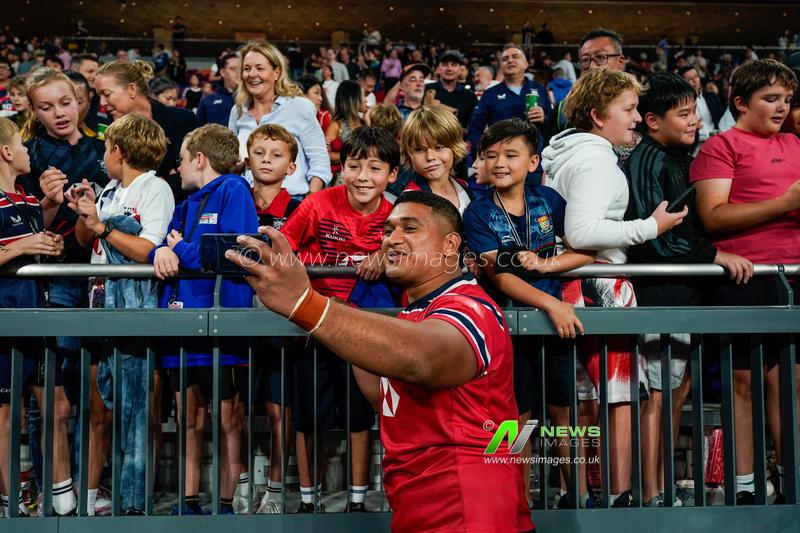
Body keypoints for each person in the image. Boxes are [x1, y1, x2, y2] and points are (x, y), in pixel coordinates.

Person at [226, 188, 535, 532]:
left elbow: (422, 360)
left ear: (450, 245)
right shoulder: (413, 314)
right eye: (388, 230)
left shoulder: (470, 306)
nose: (392, 239)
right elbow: (383, 396)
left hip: (468, 504)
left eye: (410, 228)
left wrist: (307, 305)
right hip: (421, 501)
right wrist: (334, 317)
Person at [542, 68, 687, 507]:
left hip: (578, 285)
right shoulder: (595, 159)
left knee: (589, 399)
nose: (637, 118)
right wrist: (651, 226)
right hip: (599, 284)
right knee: (617, 398)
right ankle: (617, 499)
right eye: (628, 109)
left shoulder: (572, 153)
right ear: (597, 115)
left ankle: (589, 497)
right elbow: (582, 232)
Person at [624, 73, 754, 507]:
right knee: (659, 397)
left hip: (679, 291)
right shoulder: (649, 160)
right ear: (652, 120)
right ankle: (651, 493)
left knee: (674, 392)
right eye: (683, 114)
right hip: (662, 292)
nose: (695, 120)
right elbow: (657, 237)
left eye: (694, 111)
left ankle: (661, 488)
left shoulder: (669, 157)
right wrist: (715, 255)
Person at [464, 119, 595, 509]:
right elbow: (500, 275)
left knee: (564, 416)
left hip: (554, 330)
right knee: (515, 421)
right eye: (491, 156)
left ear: (533, 162)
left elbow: (586, 250)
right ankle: (518, 505)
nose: (499, 163)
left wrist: (546, 265)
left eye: (510, 154)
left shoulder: (550, 200)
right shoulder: (477, 212)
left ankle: (578, 498)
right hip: (507, 330)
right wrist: (552, 303)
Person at [690, 59, 800, 505]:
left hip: (794, 276)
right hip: (744, 276)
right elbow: (713, 216)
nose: (782, 107)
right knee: (742, 384)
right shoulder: (719, 146)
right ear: (740, 102)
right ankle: (743, 486)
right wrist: (785, 202)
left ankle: (793, 482)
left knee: (791, 383)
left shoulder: (795, 143)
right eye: (770, 99)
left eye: (786, 99)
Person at [279, 127, 400, 514]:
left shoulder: (397, 214)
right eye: (354, 166)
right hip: (315, 323)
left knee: (359, 416)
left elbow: (413, 258)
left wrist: (385, 257)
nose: (363, 177)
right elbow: (283, 249)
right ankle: (308, 500)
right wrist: (310, 273)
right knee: (307, 418)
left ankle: (358, 501)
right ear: (341, 169)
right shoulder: (316, 204)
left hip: (367, 330)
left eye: (375, 168)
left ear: (392, 175)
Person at [67, 114, 173, 515]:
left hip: (134, 310)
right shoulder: (109, 188)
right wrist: (86, 213)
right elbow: (85, 239)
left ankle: (134, 504)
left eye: (106, 148)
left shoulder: (155, 188)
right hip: (98, 305)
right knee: (98, 410)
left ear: (119, 151)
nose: (103, 156)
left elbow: (149, 249)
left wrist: (103, 228)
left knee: (137, 415)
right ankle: (88, 499)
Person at [150, 124, 258, 515]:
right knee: (188, 418)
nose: (176, 168)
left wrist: (181, 249)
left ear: (199, 159)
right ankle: (189, 500)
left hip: (224, 327)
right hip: (182, 326)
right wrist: (161, 253)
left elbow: (232, 253)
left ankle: (226, 504)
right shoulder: (185, 204)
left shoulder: (234, 190)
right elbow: (161, 246)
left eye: (180, 160)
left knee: (228, 418)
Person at [0, 117, 71, 518]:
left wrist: (48, 239)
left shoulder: (27, 199)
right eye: (22, 145)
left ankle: (62, 502)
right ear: (6, 152)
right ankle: (9, 506)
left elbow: (31, 238)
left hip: (38, 317)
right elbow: (18, 245)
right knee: (5, 417)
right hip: (5, 322)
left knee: (58, 407)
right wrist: (24, 245)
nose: (29, 151)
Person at [243, 124, 301, 513]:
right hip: (238, 319)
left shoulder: (299, 209)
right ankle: (239, 485)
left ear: (291, 167)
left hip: (281, 321)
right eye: (259, 153)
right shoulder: (234, 200)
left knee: (280, 409)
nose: (266, 161)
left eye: (276, 155)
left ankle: (276, 490)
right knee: (236, 410)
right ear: (247, 159)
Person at [228, 41, 331, 198]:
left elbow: (320, 160)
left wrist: (310, 200)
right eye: (247, 69)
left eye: (259, 68)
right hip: (246, 200)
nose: (252, 74)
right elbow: (231, 160)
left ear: (276, 73)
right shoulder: (237, 111)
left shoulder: (299, 107)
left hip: (292, 200)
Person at [94, 60, 197, 200]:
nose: (102, 103)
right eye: (99, 96)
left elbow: (195, 175)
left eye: (106, 94)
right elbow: (107, 174)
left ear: (131, 89)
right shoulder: (105, 125)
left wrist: (160, 184)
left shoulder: (183, 120)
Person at [467, 44, 550, 162]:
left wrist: (544, 119)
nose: (510, 60)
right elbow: (475, 128)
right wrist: (481, 152)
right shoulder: (490, 93)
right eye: (505, 59)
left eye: (515, 57)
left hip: (534, 160)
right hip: (501, 160)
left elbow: (552, 127)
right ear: (501, 66)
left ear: (526, 64)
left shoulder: (540, 89)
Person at [395, 106, 471, 214]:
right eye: (419, 150)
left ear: (454, 148)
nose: (430, 157)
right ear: (408, 154)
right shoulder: (410, 202)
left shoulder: (463, 186)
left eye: (438, 147)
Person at [326, 80, 367, 180]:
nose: (366, 100)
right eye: (363, 96)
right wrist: (353, 156)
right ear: (353, 100)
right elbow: (326, 155)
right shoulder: (336, 125)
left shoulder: (364, 122)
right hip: (343, 179)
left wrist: (368, 121)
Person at [431, 50, 477, 130]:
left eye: (454, 65)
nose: (449, 68)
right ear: (438, 69)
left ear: (460, 69)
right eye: (445, 65)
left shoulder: (470, 96)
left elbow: (474, 126)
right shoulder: (426, 90)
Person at [677, 66, 725, 142]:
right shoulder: (680, 104)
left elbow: (723, 119)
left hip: (716, 139)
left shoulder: (712, 97)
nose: (694, 80)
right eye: (689, 79)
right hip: (695, 143)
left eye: (696, 76)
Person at [197, 53, 240, 126]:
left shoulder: (252, 99)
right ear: (222, 72)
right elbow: (197, 129)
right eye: (233, 68)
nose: (238, 72)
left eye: (241, 69)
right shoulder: (208, 100)